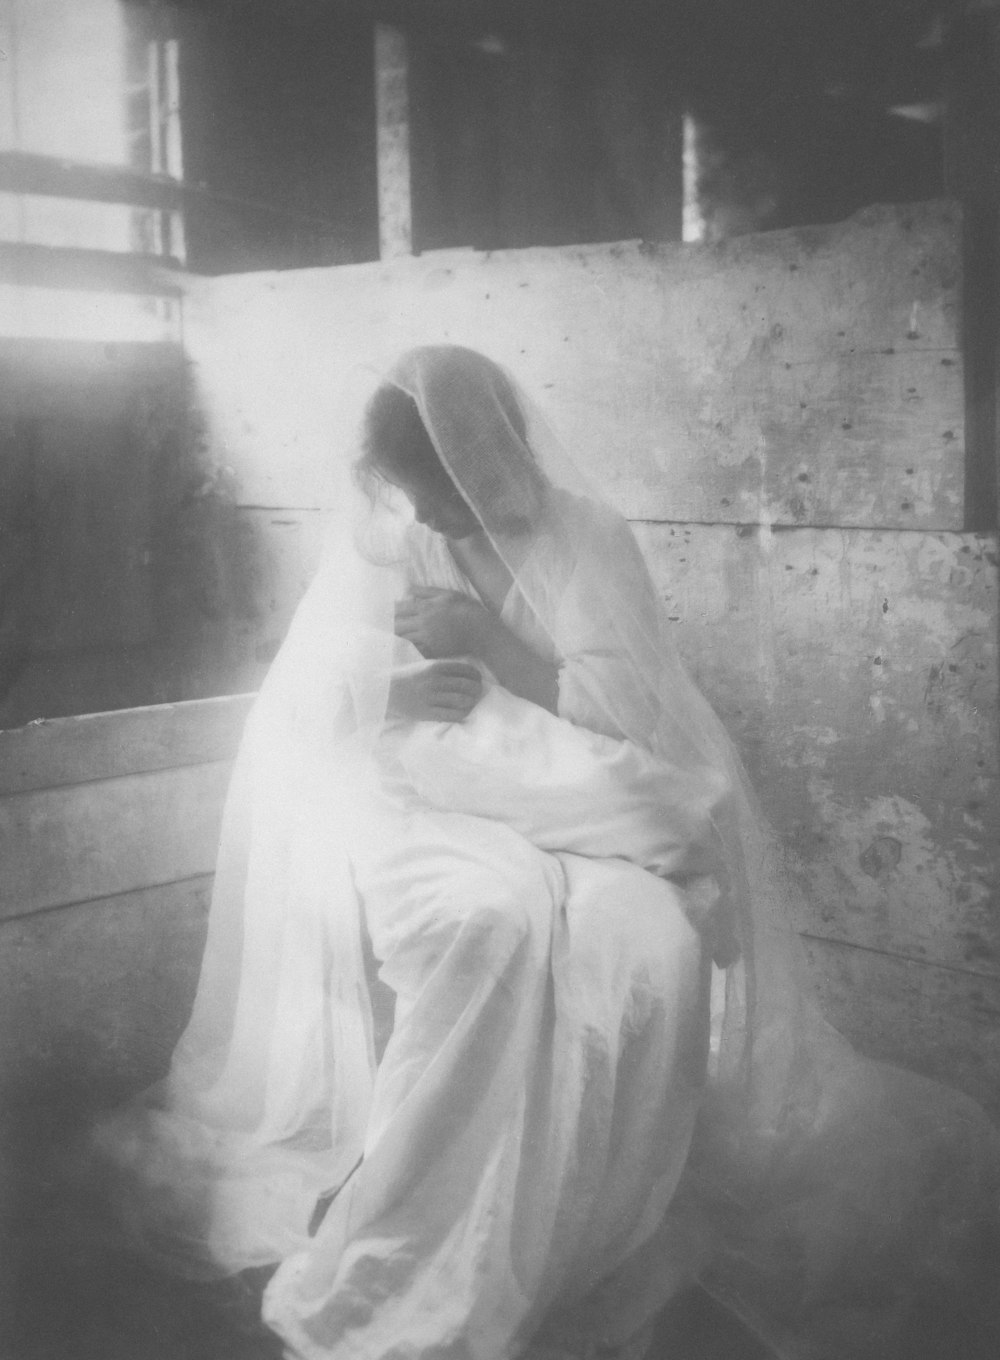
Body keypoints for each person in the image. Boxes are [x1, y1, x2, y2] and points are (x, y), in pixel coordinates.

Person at [99, 346, 1000, 1359]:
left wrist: (487, 642)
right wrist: (391, 688)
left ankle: (583, 1224)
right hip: (438, 795)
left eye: (444, 490)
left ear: (489, 462)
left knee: (643, 940)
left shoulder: (585, 539)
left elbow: (629, 717)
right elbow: (313, 679)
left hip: (584, 779)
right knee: (494, 923)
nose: (430, 515)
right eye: (413, 493)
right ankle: (428, 1234)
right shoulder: (392, 536)